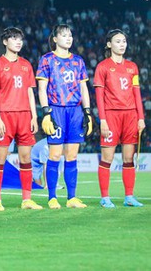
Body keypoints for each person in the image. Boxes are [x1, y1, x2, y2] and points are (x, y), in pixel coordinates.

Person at [36, 24, 93, 209]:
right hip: (57, 110)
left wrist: (88, 112)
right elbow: (42, 88)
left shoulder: (78, 61)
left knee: (72, 155)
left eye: (70, 35)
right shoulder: (47, 60)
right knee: (55, 155)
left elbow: (84, 88)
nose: (68, 38)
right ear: (55, 39)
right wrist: (46, 112)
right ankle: (52, 197)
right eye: (64, 35)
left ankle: (71, 198)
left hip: (75, 111)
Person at [0, 27, 42, 211]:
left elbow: (29, 92)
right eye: (13, 38)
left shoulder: (26, 65)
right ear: (5, 42)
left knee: (25, 158)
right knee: (0, 158)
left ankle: (26, 199)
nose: (18, 42)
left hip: (24, 116)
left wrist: (34, 116)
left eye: (19, 39)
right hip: (6, 116)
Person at [94, 29, 145, 208]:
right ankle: (105, 197)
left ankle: (129, 196)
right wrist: (103, 120)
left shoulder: (132, 67)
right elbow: (99, 97)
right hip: (111, 115)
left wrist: (141, 117)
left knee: (128, 158)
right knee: (107, 158)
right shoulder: (103, 67)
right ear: (109, 44)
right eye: (117, 41)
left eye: (124, 41)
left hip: (130, 116)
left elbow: (137, 94)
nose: (122, 44)